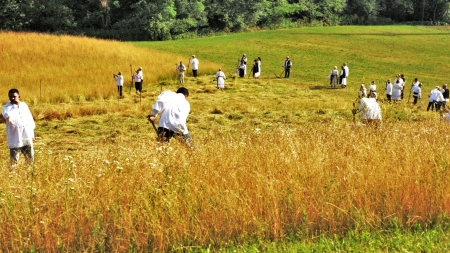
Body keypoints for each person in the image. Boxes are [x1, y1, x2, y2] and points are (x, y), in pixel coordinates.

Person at [2, 89, 36, 169]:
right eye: (10, 97)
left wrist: (32, 134)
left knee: (30, 158)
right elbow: (7, 116)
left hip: (26, 135)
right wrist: (14, 106)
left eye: (14, 96)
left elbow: (30, 119)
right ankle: (12, 177)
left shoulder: (24, 105)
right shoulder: (6, 108)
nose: (12, 98)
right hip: (15, 137)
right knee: (14, 160)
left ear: (19, 96)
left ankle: (30, 173)